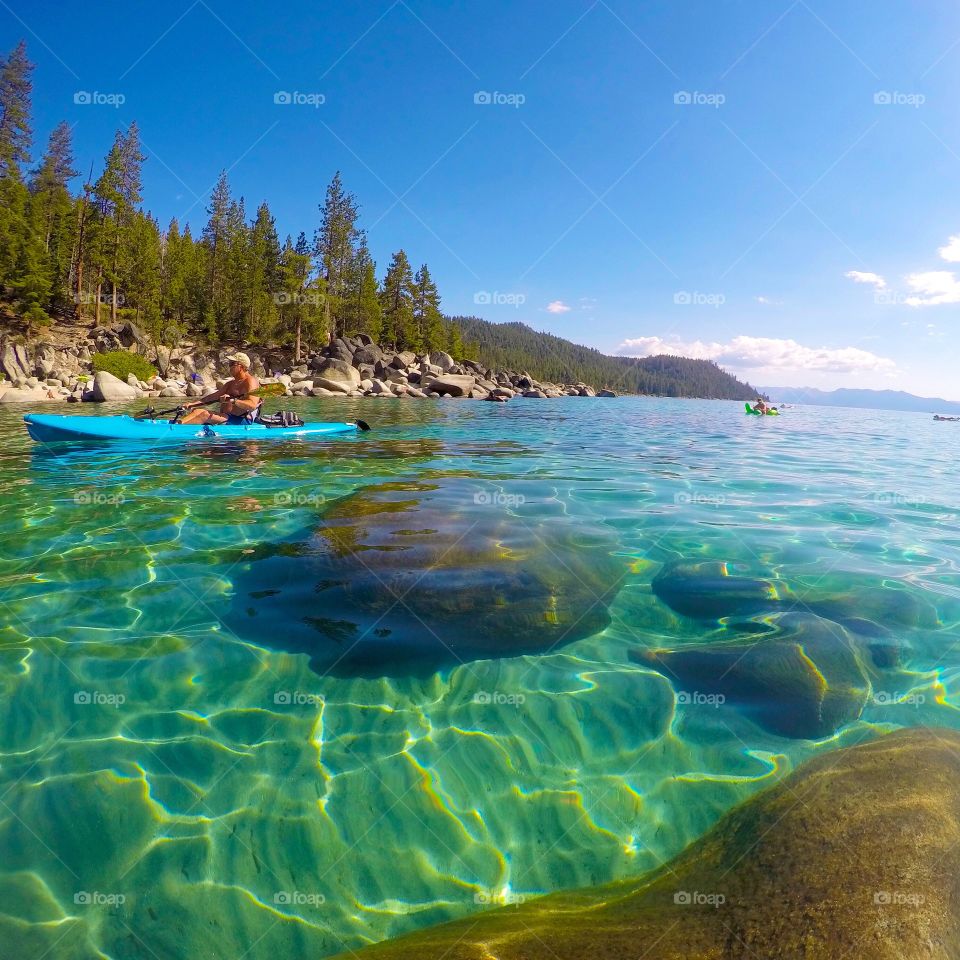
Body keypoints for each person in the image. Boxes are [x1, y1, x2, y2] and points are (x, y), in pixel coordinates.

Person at [180, 352, 262, 425]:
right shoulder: (230, 383)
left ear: (241, 366)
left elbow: (252, 405)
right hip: (227, 418)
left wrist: (233, 401)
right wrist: (192, 404)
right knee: (196, 411)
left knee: (202, 414)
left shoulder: (251, 381)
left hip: (242, 421)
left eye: (232, 364)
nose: (229, 367)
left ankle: (176, 429)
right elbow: (212, 397)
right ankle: (177, 425)